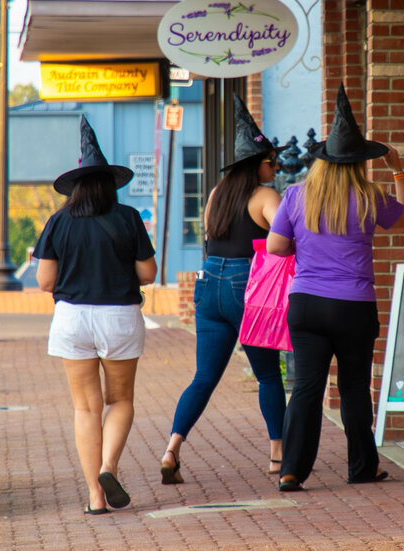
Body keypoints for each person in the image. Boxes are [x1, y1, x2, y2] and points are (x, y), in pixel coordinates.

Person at [266, 83, 404, 491]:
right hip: (354, 306)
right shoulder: (370, 196)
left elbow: (276, 247)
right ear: (357, 162)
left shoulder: (296, 195)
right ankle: (362, 468)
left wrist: (310, 243)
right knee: (353, 388)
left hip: (307, 303)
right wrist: (398, 169)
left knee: (306, 388)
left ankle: (291, 470)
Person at [160, 94, 287, 484]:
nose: (277, 165)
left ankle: (171, 449)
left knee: (203, 377)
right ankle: (278, 458)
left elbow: (210, 240)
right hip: (245, 286)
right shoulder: (266, 197)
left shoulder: (216, 194)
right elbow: (286, 237)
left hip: (208, 283)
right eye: (272, 161)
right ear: (256, 165)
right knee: (267, 376)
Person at [34, 116, 157, 515]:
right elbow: (148, 274)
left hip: (72, 319)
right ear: (109, 183)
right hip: (119, 315)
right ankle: (109, 467)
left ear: (76, 185)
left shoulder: (58, 221)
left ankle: (94, 496)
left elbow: (45, 281)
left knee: (85, 408)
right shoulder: (128, 217)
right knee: (119, 400)